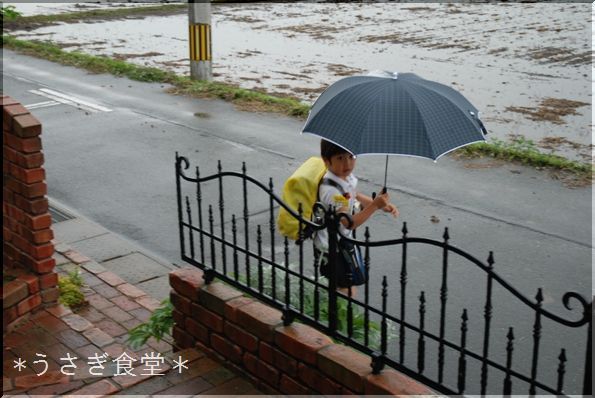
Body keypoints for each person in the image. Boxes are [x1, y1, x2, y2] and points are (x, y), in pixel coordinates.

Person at [314, 139, 398, 295]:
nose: (347, 163)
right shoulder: (332, 191)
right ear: (326, 161)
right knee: (346, 292)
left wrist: (379, 204)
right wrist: (374, 206)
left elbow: (354, 195)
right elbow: (348, 222)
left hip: (341, 243)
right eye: (340, 158)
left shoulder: (345, 178)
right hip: (331, 249)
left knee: (348, 288)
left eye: (351, 156)